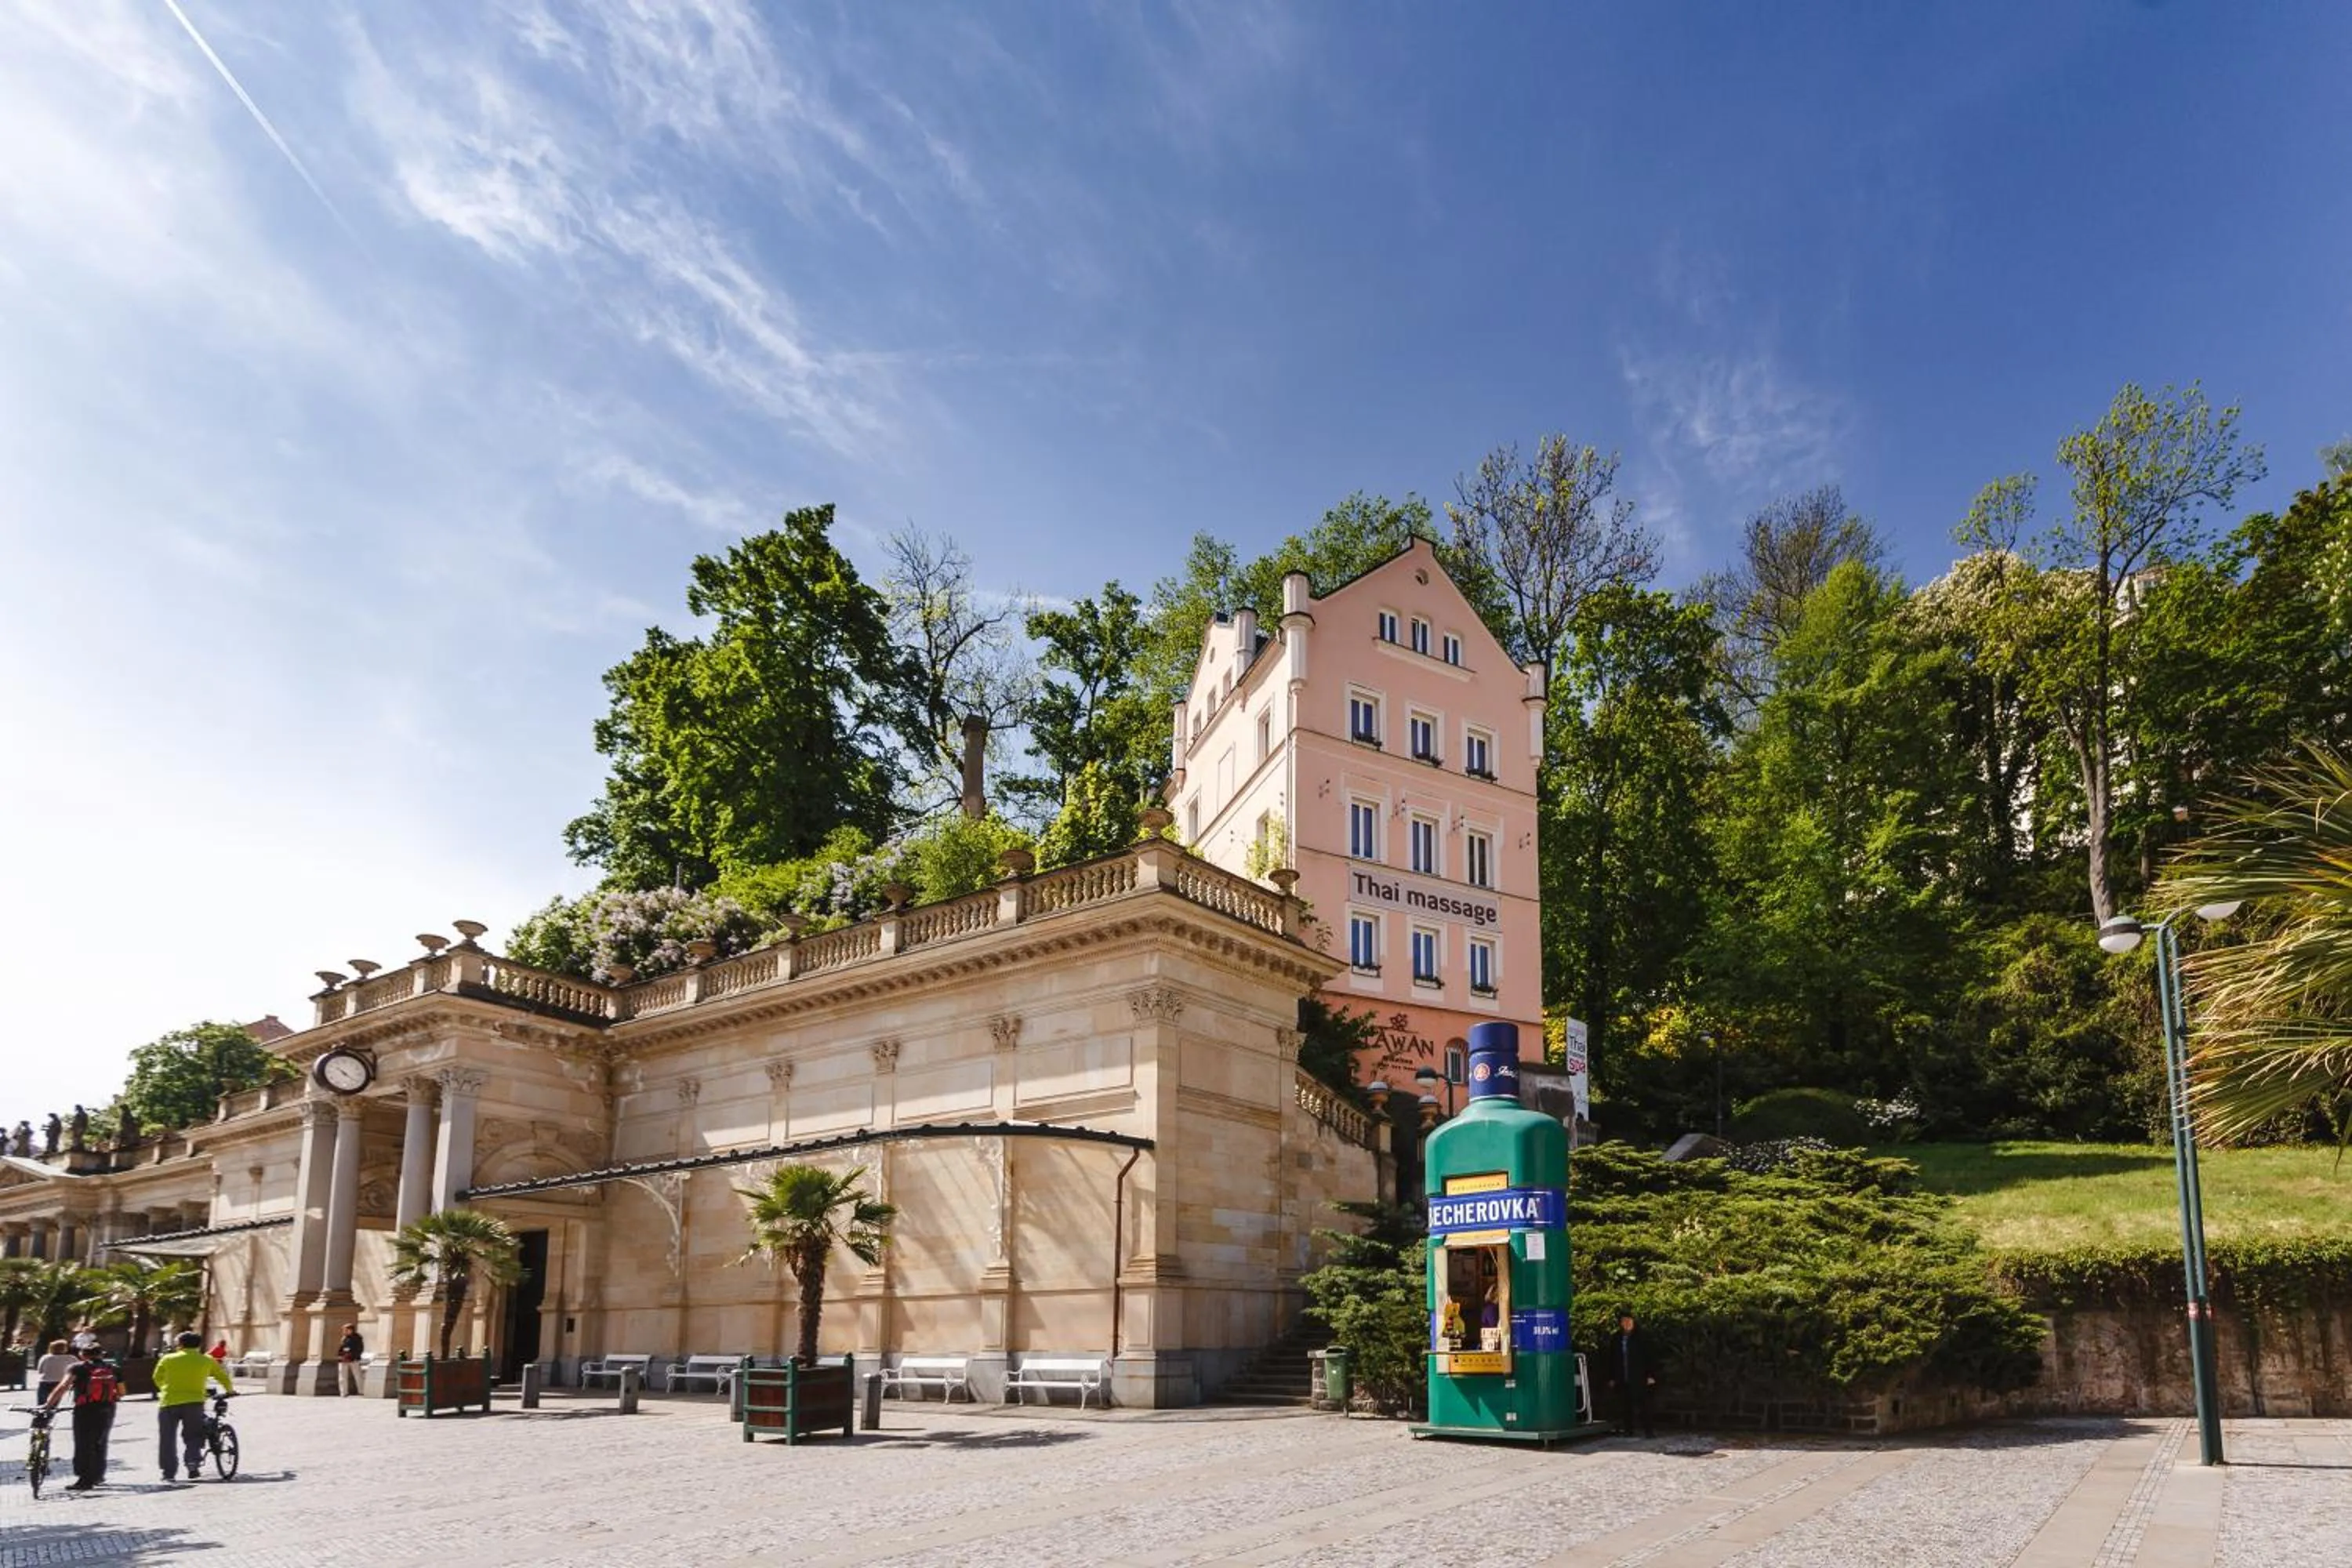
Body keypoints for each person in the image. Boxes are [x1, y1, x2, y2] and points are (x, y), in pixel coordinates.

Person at [152, 1331, 233, 1483]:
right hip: (195, 1402)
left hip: (169, 1402)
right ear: (199, 1345)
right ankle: (192, 1463)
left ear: (180, 1344)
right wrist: (230, 1390)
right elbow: (222, 1376)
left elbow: (157, 1377)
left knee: (167, 1439)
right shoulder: (206, 1360)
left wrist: (166, 1389)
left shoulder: (168, 1359)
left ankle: (168, 1473)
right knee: (194, 1435)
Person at [42, 1344, 121, 1491]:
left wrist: (49, 1404)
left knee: (84, 1443)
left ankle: (85, 1479)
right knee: (100, 1442)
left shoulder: (77, 1368)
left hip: (85, 1409)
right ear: (101, 1354)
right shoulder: (113, 1368)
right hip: (107, 1408)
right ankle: (98, 1475)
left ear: (82, 1355)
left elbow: (63, 1386)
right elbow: (122, 1391)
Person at [1609, 1312, 1657, 1439]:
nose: (1627, 1324)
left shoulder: (1642, 1337)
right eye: (1624, 1321)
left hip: (1639, 1376)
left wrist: (1651, 1375)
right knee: (1625, 1405)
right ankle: (1628, 1430)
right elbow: (1611, 1359)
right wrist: (1612, 1377)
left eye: (1629, 1321)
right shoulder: (1616, 1338)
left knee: (1644, 1405)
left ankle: (1649, 1431)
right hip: (1622, 1376)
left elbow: (1650, 1357)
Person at [34, 1338, 76, 1407]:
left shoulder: (45, 1357)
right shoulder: (71, 1358)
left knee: (41, 1405)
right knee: (53, 1405)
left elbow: (40, 1371)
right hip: (60, 1383)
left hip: (45, 1382)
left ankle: (40, 1417)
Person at [336, 1323, 365, 1396]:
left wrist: (354, 1356)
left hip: (353, 1359)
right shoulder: (344, 1338)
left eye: (345, 1330)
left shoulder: (357, 1338)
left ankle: (361, 1391)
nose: (344, 1331)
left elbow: (360, 1349)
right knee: (342, 1376)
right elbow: (340, 1348)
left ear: (350, 1330)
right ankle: (343, 1392)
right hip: (343, 1359)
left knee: (358, 1375)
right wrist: (340, 1356)